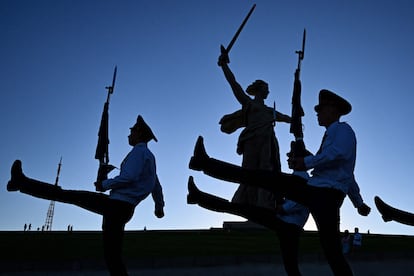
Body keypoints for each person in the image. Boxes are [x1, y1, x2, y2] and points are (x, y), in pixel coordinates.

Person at [189, 89, 371, 276]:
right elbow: (347, 175)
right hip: (319, 193)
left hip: (322, 194)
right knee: (332, 254)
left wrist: (306, 162)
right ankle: (203, 163)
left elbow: (339, 155)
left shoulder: (343, 130)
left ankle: (203, 163)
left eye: (321, 109)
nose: (317, 112)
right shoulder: (332, 136)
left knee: (260, 178)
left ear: (333, 110)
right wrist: (359, 204)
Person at [7, 115, 165, 276]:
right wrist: (159, 206)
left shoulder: (138, 153)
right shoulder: (149, 157)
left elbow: (129, 177)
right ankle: (21, 183)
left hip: (116, 206)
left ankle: (21, 183)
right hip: (122, 208)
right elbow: (156, 186)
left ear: (139, 133)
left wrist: (104, 185)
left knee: (67, 196)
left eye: (131, 131)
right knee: (113, 257)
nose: (128, 134)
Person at [188, 174, 309, 276]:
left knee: (238, 208)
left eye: (292, 156)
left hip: (286, 224)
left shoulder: (302, 178)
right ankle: (198, 197)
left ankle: (198, 197)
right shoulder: (298, 177)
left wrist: (281, 206)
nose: (289, 159)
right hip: (285, 223)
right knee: (291, 268)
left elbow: (295, 203)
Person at [217, 49, 291, 209]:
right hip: (251, 141)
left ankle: (266, 204)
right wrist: (224, 66)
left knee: (267, 171)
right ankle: (245, 204)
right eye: (266, 87)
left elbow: (286, 117)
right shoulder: (249, 104)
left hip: (267, 143)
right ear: (259, 89)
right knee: (248, 172)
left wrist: (295, 119)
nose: (268, 90)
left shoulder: (270, 111)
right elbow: (234, 84)